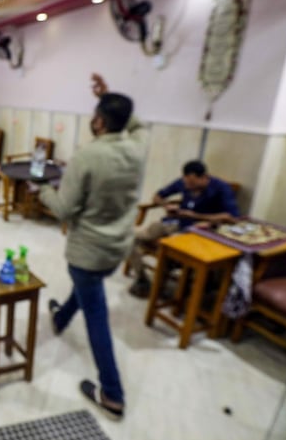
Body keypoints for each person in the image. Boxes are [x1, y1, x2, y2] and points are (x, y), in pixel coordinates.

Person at [37, 73, 147, 420]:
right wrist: (110, 96)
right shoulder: (138, 147)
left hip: (88, 251)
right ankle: (61, 316)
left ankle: (112, 393)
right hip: (117, 248)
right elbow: (137, 123)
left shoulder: (87, 156)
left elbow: (63, 208)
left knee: (96, 313)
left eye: (96, 113)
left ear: (98, 121)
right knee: (89, 289)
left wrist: (41, 191)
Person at [127, 160, 240, 297]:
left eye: (192, 184)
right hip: (175, 222)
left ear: (204, 177)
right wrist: (166, 205)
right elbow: (157, 196)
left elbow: (232, 218)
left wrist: (196, 215)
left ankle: (161, 286)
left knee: (168, 246)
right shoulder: (183, 182)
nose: (188, 186)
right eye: (186, 183)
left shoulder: (221, 188)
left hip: (197, 229)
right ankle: (142, 279)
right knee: (129, 238)